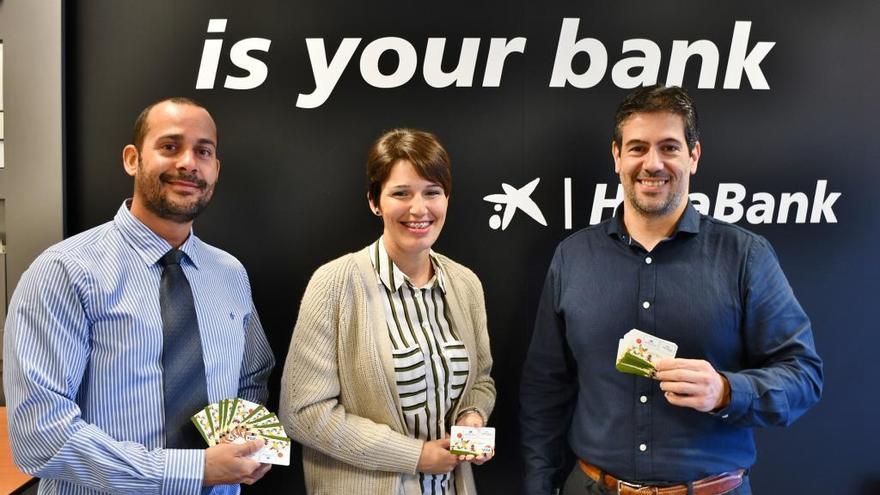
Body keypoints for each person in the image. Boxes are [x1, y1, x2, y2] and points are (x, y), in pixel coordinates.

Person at [519, 85, 823, 495]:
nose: (652, 163)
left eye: (669, 147)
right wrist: (540, 486)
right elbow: (544, 389)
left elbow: (803, 376)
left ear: (693, 156)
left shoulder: (745, 256)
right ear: (617, 156)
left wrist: (726, 391)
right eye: (638, 148)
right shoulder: (572, 257)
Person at [2, 97, 275, 494]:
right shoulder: (66, 272)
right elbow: (40, 437)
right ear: (133, 159)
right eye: (170, 147)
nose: (188, 163)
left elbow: (251, 377)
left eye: (204, 151)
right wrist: (194, 468)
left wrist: (243, 444)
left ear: (215, 169)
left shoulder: (229, 274)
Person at [280, 128, 496, 494]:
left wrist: (472, 416)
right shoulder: (334, 284)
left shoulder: (465, 284)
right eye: (401, 193)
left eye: (432, 192)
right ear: (374, 201)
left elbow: (481, 380)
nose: (419, 208)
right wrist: (415, 455)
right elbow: (302, 413)